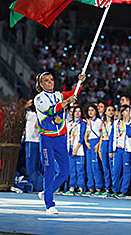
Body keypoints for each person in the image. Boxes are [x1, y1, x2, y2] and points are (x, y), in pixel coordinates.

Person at [34, 71, 86, 214]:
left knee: (65, 171)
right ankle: (49, 205)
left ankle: (47, 192)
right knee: (49, 170)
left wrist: (79, 82)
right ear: (40, 84)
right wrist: (66, 102)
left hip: (61, 138)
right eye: (46, 80)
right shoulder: (39, 98)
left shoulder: (58, 95)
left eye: (51, 79)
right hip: (47, 139)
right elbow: (51, 111)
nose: (50, 82)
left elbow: (73, 93)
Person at [109, 105, 131, 197]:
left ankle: (124, 190)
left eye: (128, 111)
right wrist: (110, 150)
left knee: (126, 171)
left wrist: (127, 123)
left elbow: (130, 134)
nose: (127, 113)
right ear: (122, 112)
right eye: (125, 111)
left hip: (127, 150)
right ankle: (115, 189)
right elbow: (111, 136)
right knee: (116, 171)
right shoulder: (116, 123)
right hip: (117, 149)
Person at [66, 105, 86, 194]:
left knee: (80, 170)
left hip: (79, 150)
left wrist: (76, 149)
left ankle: (81, 187)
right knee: (72, 170)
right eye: (75, 111)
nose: (77, 113)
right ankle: (72, 187)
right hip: (70, 149)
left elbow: (81, 138)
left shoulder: (82, 123)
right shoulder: (69, 123)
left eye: (79, 111)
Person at [85, 104, 104, 195]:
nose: (90, 112)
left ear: (96, 111)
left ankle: (98, 186)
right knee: (89, 167)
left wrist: (98, 145)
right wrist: (86, 141)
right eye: (89, 110)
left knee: (95, 166)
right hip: (89, 143)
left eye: (92, 110)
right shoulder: (88, 121)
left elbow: (102, 134)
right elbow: (86, 133)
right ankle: (91, 187)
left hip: (95, 143)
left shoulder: (99, 121)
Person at [24, 99, 42, 192]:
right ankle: (38, 185)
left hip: (31, 140)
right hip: (37, 140)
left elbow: (21, 112)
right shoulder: (38, 114)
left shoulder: (31, 115)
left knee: (31, 164)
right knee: (36, 164)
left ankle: (34, 184)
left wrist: (27, 104)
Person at [98, 105, 114, 194]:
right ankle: (107, 187)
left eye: (112, 110)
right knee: (105, 166)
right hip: (104, 143)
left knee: (112, 166)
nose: (111, 112)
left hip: (110, 143)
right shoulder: (103, 123)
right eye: (109, 110)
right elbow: (101, 135)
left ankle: (113, 187)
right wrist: (100, 147)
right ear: (105, 112)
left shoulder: (115, 123)